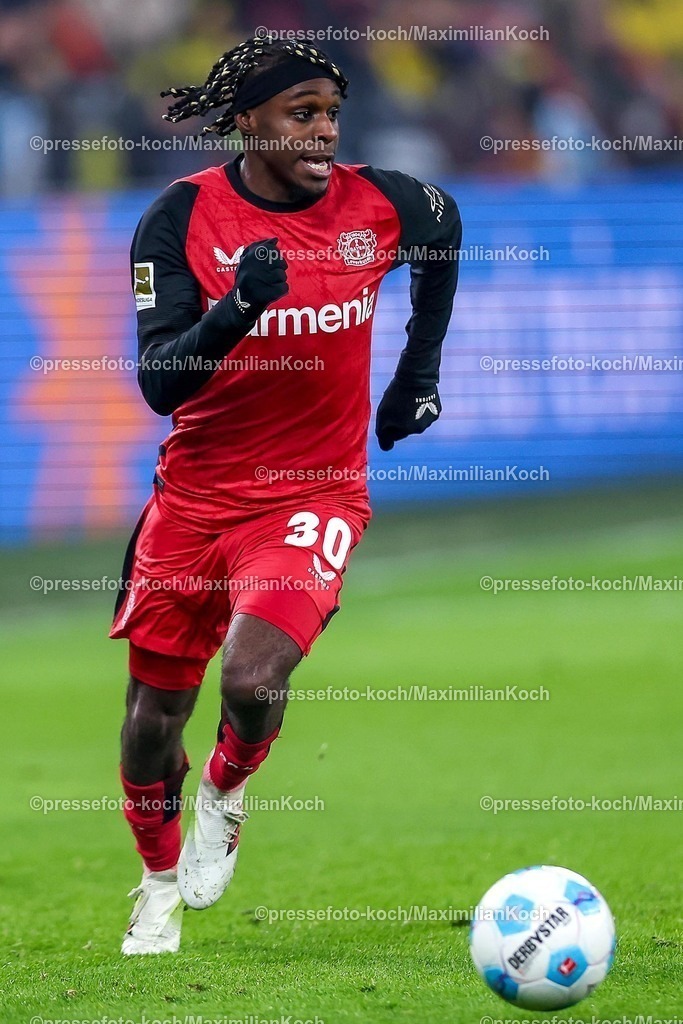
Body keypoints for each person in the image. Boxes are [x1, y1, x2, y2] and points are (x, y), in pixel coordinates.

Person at [110, 35, 462, 955]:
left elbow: (444, 230)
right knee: (151, 721)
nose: (323, 133)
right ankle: (157, 884)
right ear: (248, 121)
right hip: (194, 501)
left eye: (331, 114)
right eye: (301, 115)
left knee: (252, 677)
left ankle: (225, 791)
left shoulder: (383, 202)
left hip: (315, 493)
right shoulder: (179, 217)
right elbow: (160, 383)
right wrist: (237, 308)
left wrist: (415, 376)